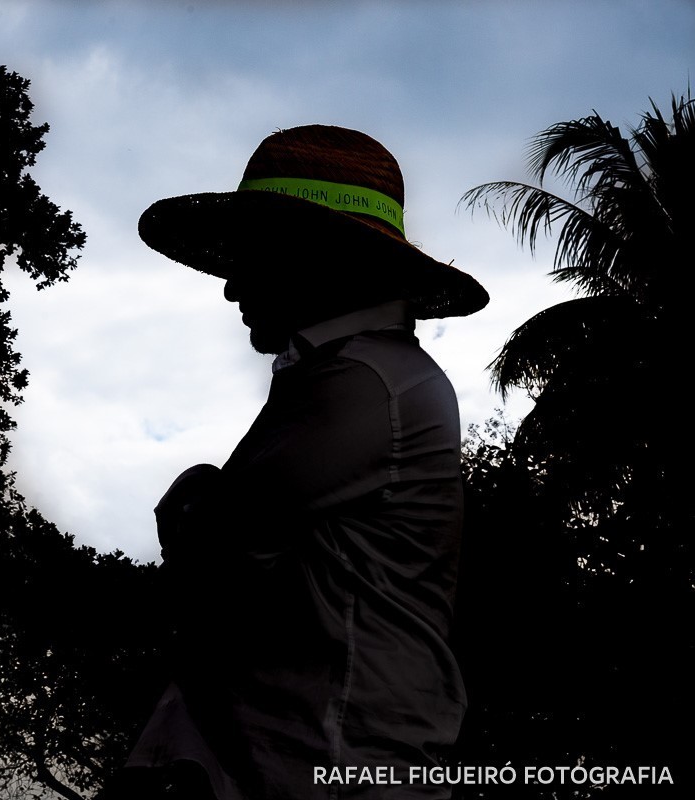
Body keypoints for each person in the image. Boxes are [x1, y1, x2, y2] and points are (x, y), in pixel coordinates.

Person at [111, 125, 490, 800]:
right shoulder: (362, 375)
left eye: (252, 257)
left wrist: (197, 495)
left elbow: (216, 552)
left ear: (318, 256)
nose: (232, 289)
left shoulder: (362, 382)